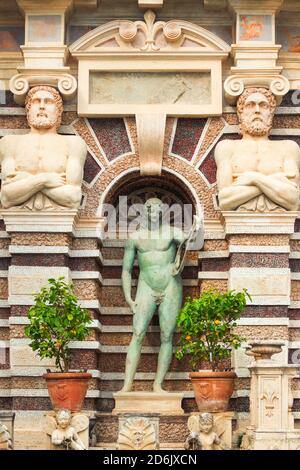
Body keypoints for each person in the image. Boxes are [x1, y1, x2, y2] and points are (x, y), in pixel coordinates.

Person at [120, 197, 202, 393]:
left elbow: (192, 243)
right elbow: (126, 270)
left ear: (162, 211)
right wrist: (129, 298)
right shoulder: (135, 237)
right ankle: (127, 385)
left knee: (167, 335)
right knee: (138, 333)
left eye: (156, 210)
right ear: (144, 212)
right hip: (146, 286)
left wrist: (198, 226)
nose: (152, 213)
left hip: (170, 286)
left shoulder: (172, 232)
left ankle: (158, 384)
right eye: (149, 209)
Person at [0, 85, 87, 210]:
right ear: (28, 110)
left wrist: (26, 181)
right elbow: (7, 198)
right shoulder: (9, 143)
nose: (41, 106)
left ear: (58, 111)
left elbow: (73, 199)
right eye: (36, 101)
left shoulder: (73, 144)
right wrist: (44, 180)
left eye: (48, 102)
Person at [215, 87, 300, 212]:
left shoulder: (288, 148)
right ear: (241, 113)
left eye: (263, 106)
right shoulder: (227, 148)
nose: (257, 110)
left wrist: (253, 178)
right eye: (250, 105)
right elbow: (225, 201)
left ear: (271, 113)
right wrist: (274, 181)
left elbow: (293, 201)